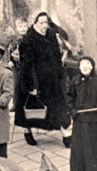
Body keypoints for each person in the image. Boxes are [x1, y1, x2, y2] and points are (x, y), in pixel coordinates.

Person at [14, 12, 72, 147]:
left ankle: (66, 134)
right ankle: (27, 131)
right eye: (41, 23)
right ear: (34, 23)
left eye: (46, 22)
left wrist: (59, 72)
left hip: (51, 80)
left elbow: (56, 55)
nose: (44, 26)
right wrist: (31, 86)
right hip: (36, 81)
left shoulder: (51, 34)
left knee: (58, 107)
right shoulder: (28, 40)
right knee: (31, 108)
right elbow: (26, 66)